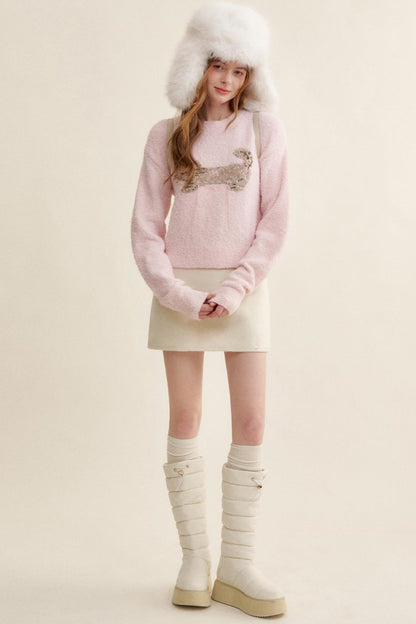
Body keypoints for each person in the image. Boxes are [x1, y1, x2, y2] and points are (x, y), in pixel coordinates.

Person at [130, 1, 289, 618]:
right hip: (179, 293)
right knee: (186, 416)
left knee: (251, 422)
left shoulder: (265, 132)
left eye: (239, 70)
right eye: (217, 65)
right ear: (196, 65)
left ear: (251, 76)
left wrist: (237, 287)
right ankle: (194, 559)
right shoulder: (164, 135)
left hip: (243, 289)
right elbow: (146, 228)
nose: (226, 79)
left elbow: (274, 221)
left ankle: (238, 565)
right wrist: (181, 295)